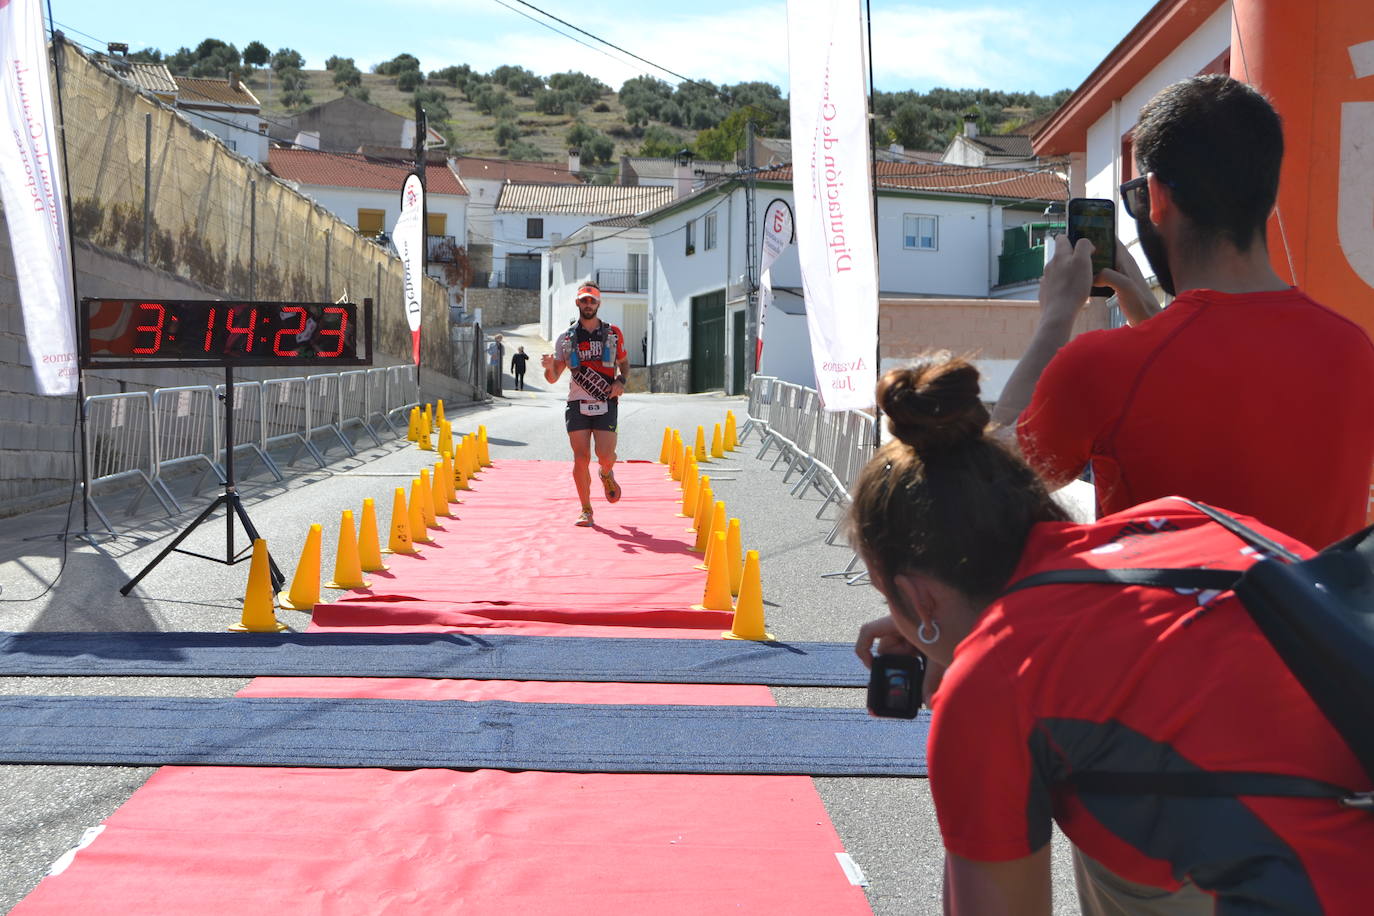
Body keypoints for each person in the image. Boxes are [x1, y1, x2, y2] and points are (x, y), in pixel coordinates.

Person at [853, 356, 1374, 916]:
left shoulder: (994, 680)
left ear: (921, 597)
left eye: (890, 598)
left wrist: (968, 666)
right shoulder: (1179, 517)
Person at [990, 75, 1374, 550]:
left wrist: (1055, 320)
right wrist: (1153, 321)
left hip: (1162, 625)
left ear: (1156, 197)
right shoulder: (1353, 347)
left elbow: (986, 487)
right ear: (1269, 196)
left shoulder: (1099, 366)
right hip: (1314, 624)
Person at [540, 284, 630, 526]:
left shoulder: (613, 334)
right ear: (577, 303)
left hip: (606, 401)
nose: (588, 305)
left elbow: (624, 363)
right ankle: (586, 509)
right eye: (584, 301)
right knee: (581, 458)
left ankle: (606, 473)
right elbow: (553, 377)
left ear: (598, 304)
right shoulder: (567, 338)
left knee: (605, 455)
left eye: (592, 301)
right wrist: (549, 367)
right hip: (577, 402)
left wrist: (621, 381)